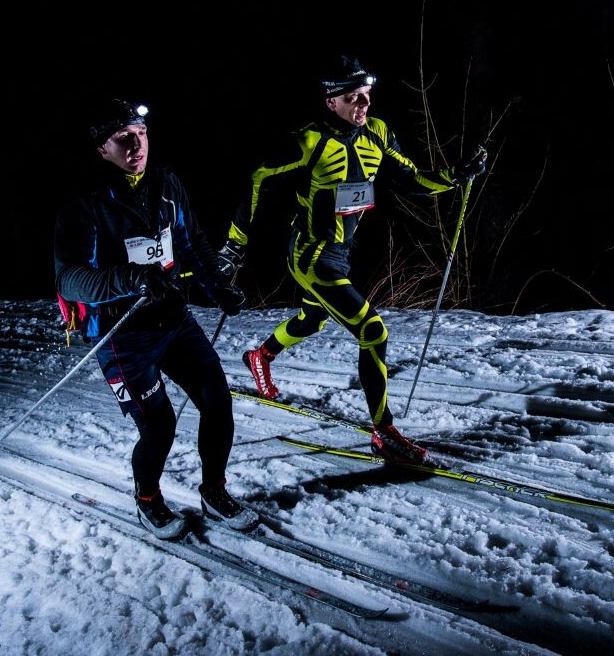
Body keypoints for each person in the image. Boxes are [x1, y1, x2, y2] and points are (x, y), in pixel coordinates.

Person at [216, 55, 487, 465]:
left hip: (340, 253)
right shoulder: (309, 140)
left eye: (366, 95)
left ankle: (260, 356)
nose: (363, 104)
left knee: (312, 319)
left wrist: (456, 175)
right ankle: (384, 433)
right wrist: (234, 245)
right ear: (331, 102)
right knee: (373, 331)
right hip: (311, 257)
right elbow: (258, 179)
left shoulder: (376, 133)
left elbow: (411, 178)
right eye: (352, 97)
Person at [54, 98, 254, 540]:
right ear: (101, 150)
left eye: (141, 133)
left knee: (217, 401)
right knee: (160, 425)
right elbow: (71, 279)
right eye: (122, 138)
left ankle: (214, 491)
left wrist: (217, 287)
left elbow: (190, 241)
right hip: (122, 333)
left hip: (172, 317)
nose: (136, 143)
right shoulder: (84, 205)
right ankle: (148, 501)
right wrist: (134, 278)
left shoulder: (164, 183)